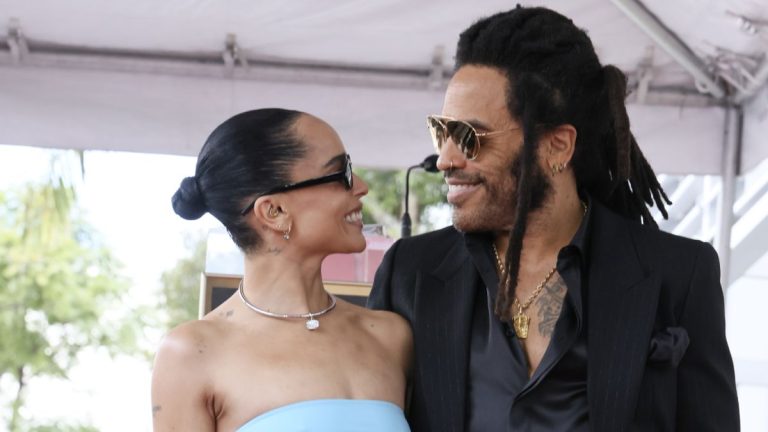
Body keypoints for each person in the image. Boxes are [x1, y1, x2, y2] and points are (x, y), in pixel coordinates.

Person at [368, 6, 739, 432]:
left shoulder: (678, 273)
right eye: (442, 131)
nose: (446, 158)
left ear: (557, 147)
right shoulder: (409, 273)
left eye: (469, 137)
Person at [152, 108, 412, 431]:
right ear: (274, 211)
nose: (361, 186)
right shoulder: (191, 354)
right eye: (341, 172)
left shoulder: (391, 337)